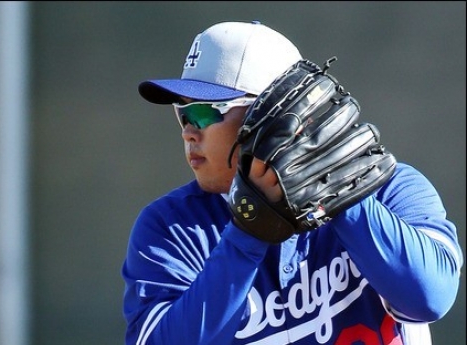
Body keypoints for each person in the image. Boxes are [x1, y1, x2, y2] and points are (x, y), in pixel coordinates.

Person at [121, 21, 463, 345]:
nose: (188, 131)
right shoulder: (172, 226)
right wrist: (248, 233)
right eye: (182, 112)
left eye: (205, 112)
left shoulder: (390, 188)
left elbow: (430, 298)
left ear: (276, 114)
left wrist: (341, 195)